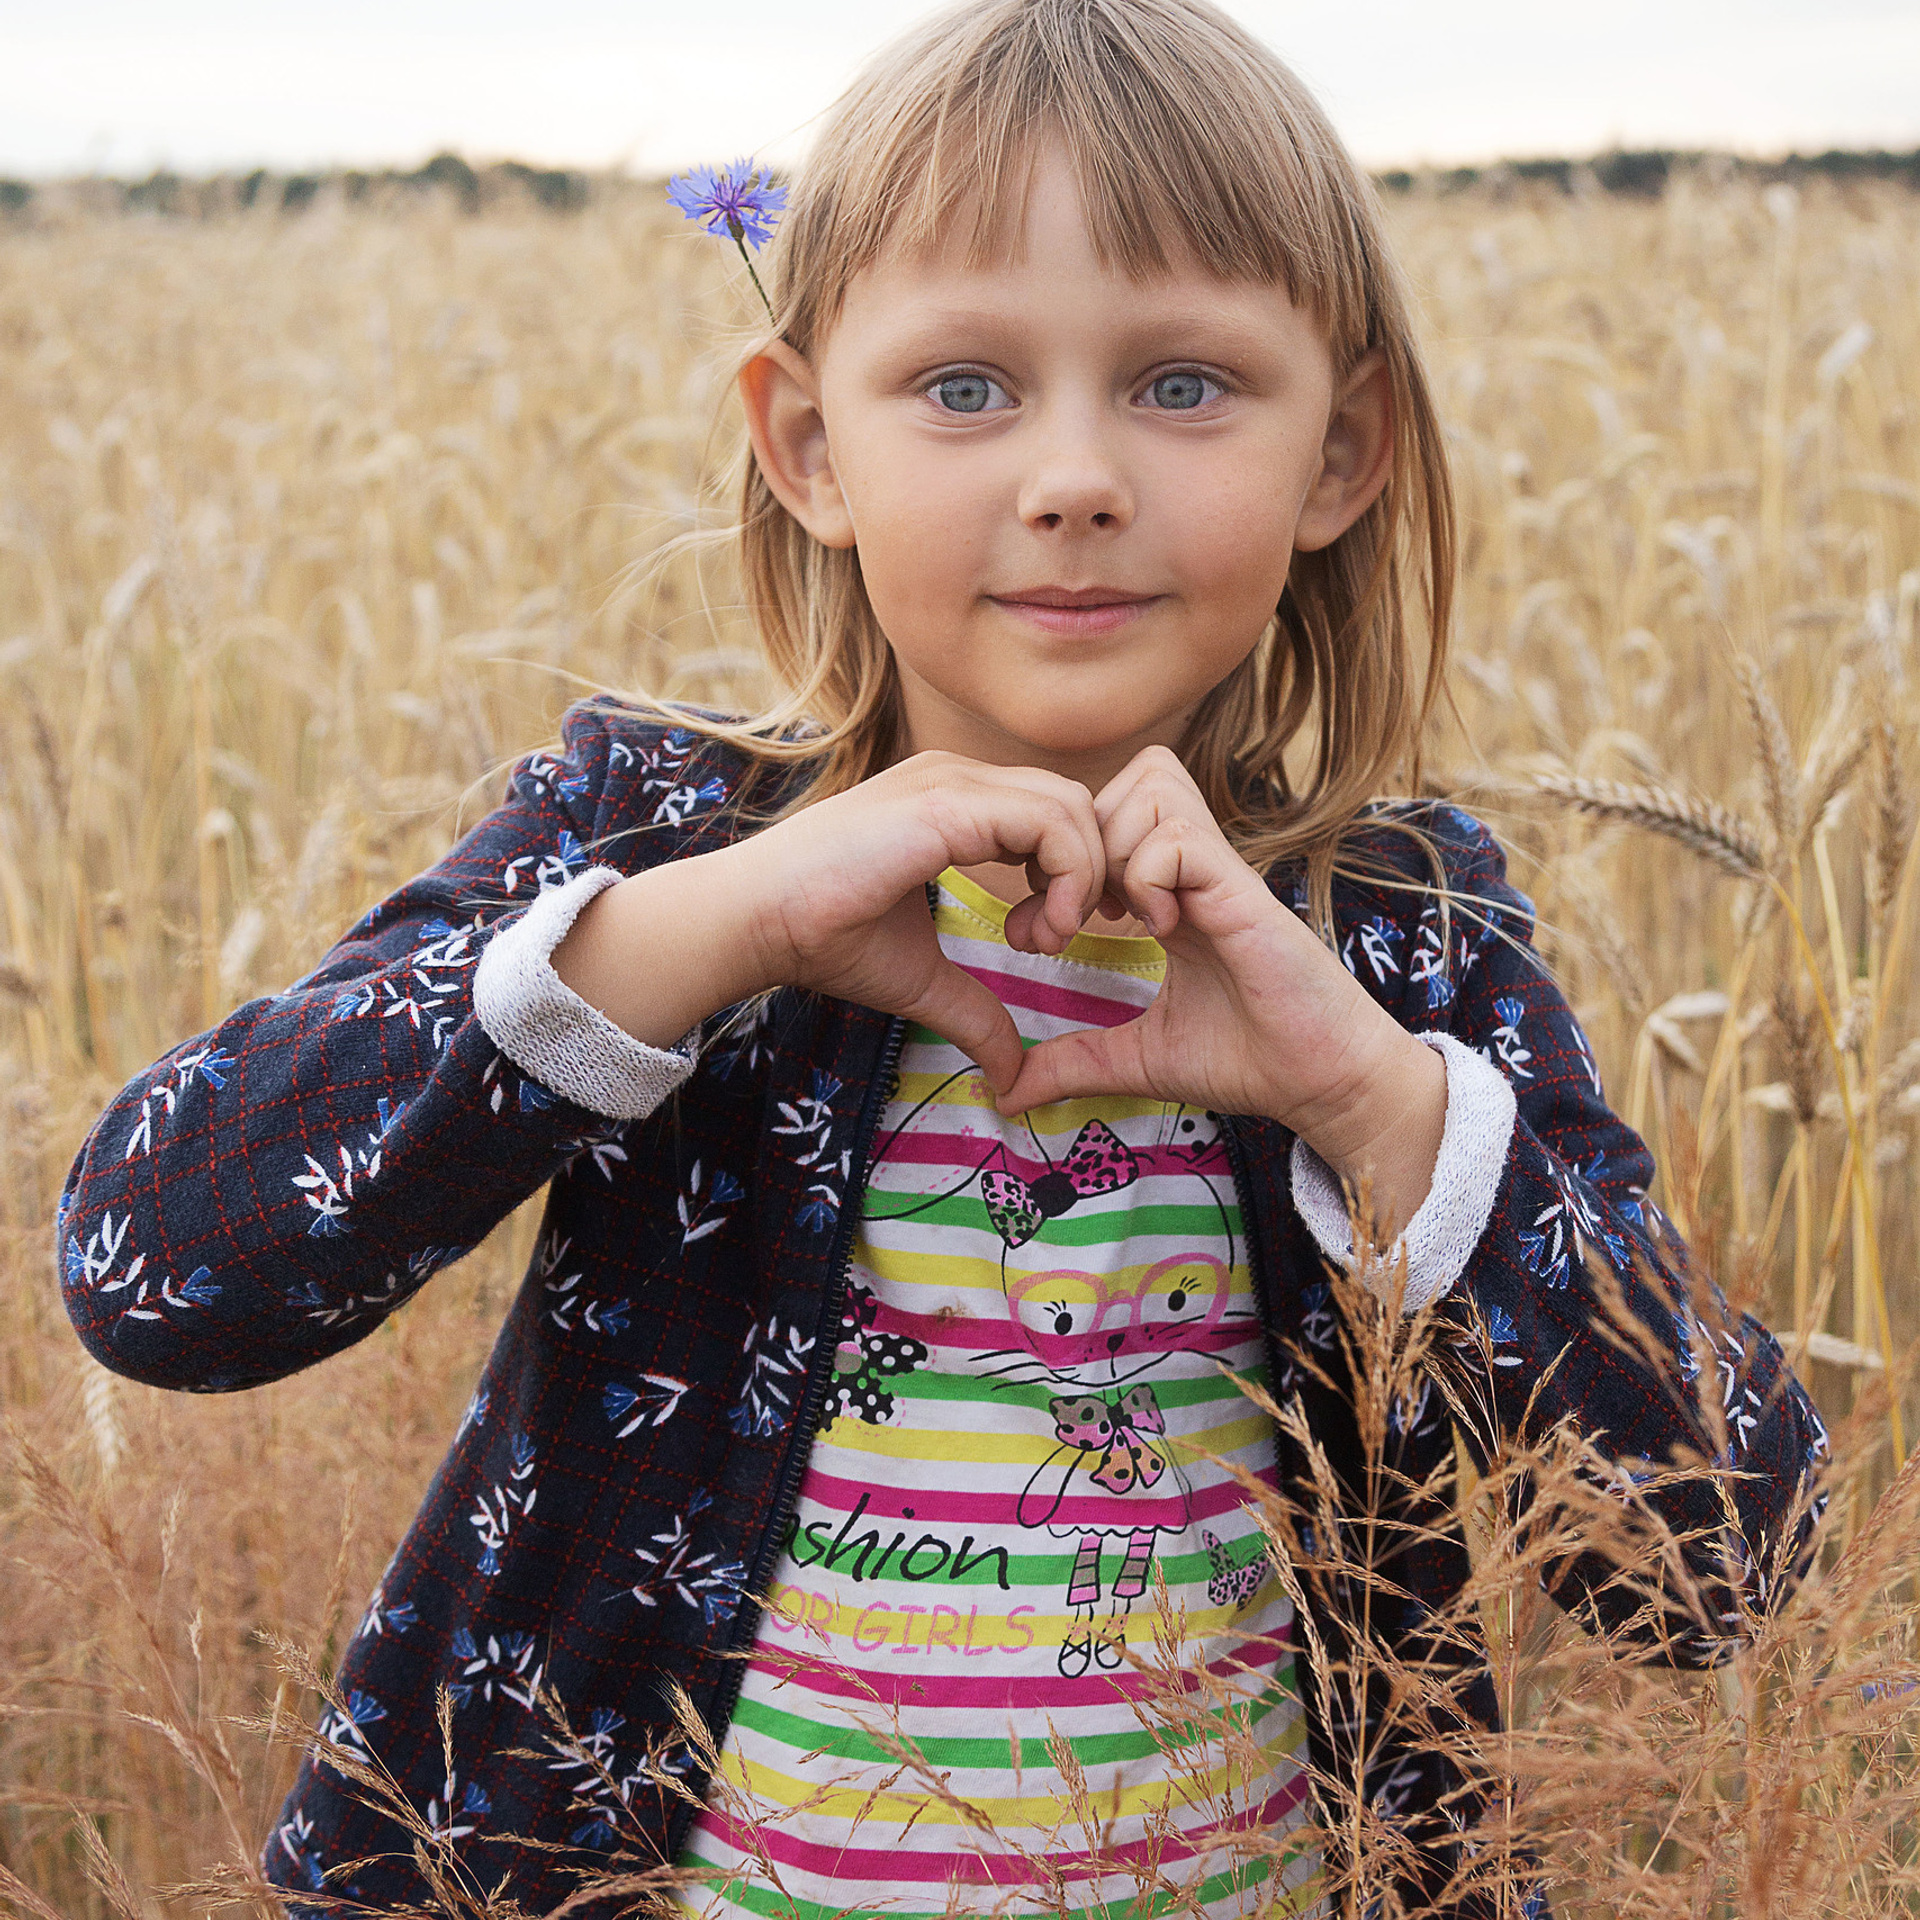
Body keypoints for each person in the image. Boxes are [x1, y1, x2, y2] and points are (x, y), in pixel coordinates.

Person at [57, 1, 1828, 1914]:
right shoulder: (655, 845)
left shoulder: (1398, 927)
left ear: (1347, 452)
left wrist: (1375, 1103)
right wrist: (703, 932)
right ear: (809, 442)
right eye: (966, 387)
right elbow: (160, 1271)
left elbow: (1726, 1573)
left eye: (1184, 385)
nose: (1072, 474)